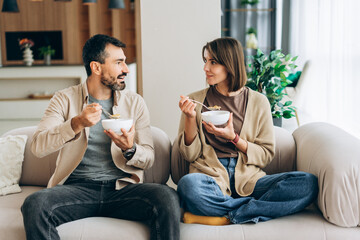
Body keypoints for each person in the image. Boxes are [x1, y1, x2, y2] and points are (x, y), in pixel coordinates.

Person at [21, 34, 180, 240]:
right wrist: (76, 124)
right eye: (119, 62)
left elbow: (148, 157)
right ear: (96, 67)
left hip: (122, 189)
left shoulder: (135, 102)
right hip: (77, 189)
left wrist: (130, 149)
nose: (126, 69)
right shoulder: (64, 99)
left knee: (167, 197)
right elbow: (38, 146)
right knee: (34, 204)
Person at [176, 37, 318, 225]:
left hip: (250, 179)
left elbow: (266, 155)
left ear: (230, 64)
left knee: (307, 184)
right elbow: (189, 155)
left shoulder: (259, 102)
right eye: (205, 61)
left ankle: (226, 217)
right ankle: (251, 211)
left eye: (213, 62)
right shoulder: (195, 101)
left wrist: (234, 138)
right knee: (188, 186)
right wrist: (190, 118)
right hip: (212, 177)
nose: (205, 68)